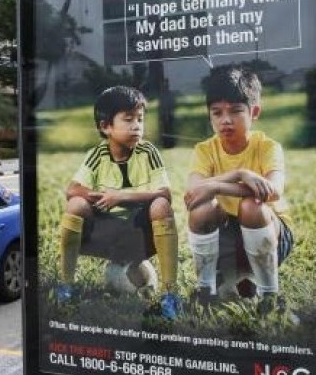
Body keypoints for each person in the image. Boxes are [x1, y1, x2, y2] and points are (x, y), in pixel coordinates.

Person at [58, 86, 179, 315]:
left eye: (140, 119)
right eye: (128, 119)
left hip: (140, 234)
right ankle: (66, 287)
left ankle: (169, 294)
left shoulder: (148, 152)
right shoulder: (97, 154)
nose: (137, 126)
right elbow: (72, 190)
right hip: (108, 235)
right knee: (76, 204)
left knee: (161, 206)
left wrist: (121, 196)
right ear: (106, 127)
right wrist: (100, 197)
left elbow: (165, 194)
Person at [183, 67, 294, 316]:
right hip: (228, 238)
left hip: (272, 234)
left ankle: (269, 295)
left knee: (251, 204)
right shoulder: (204, 150)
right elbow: (192, 195)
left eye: (235, 110)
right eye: (217, 112)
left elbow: (272, 191)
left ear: (254, 112)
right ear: (209, 115)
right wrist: (239, 174)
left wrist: (214, 185)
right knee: (201, 210)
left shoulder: (268, 147)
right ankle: (205, 291)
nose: (226, 120)